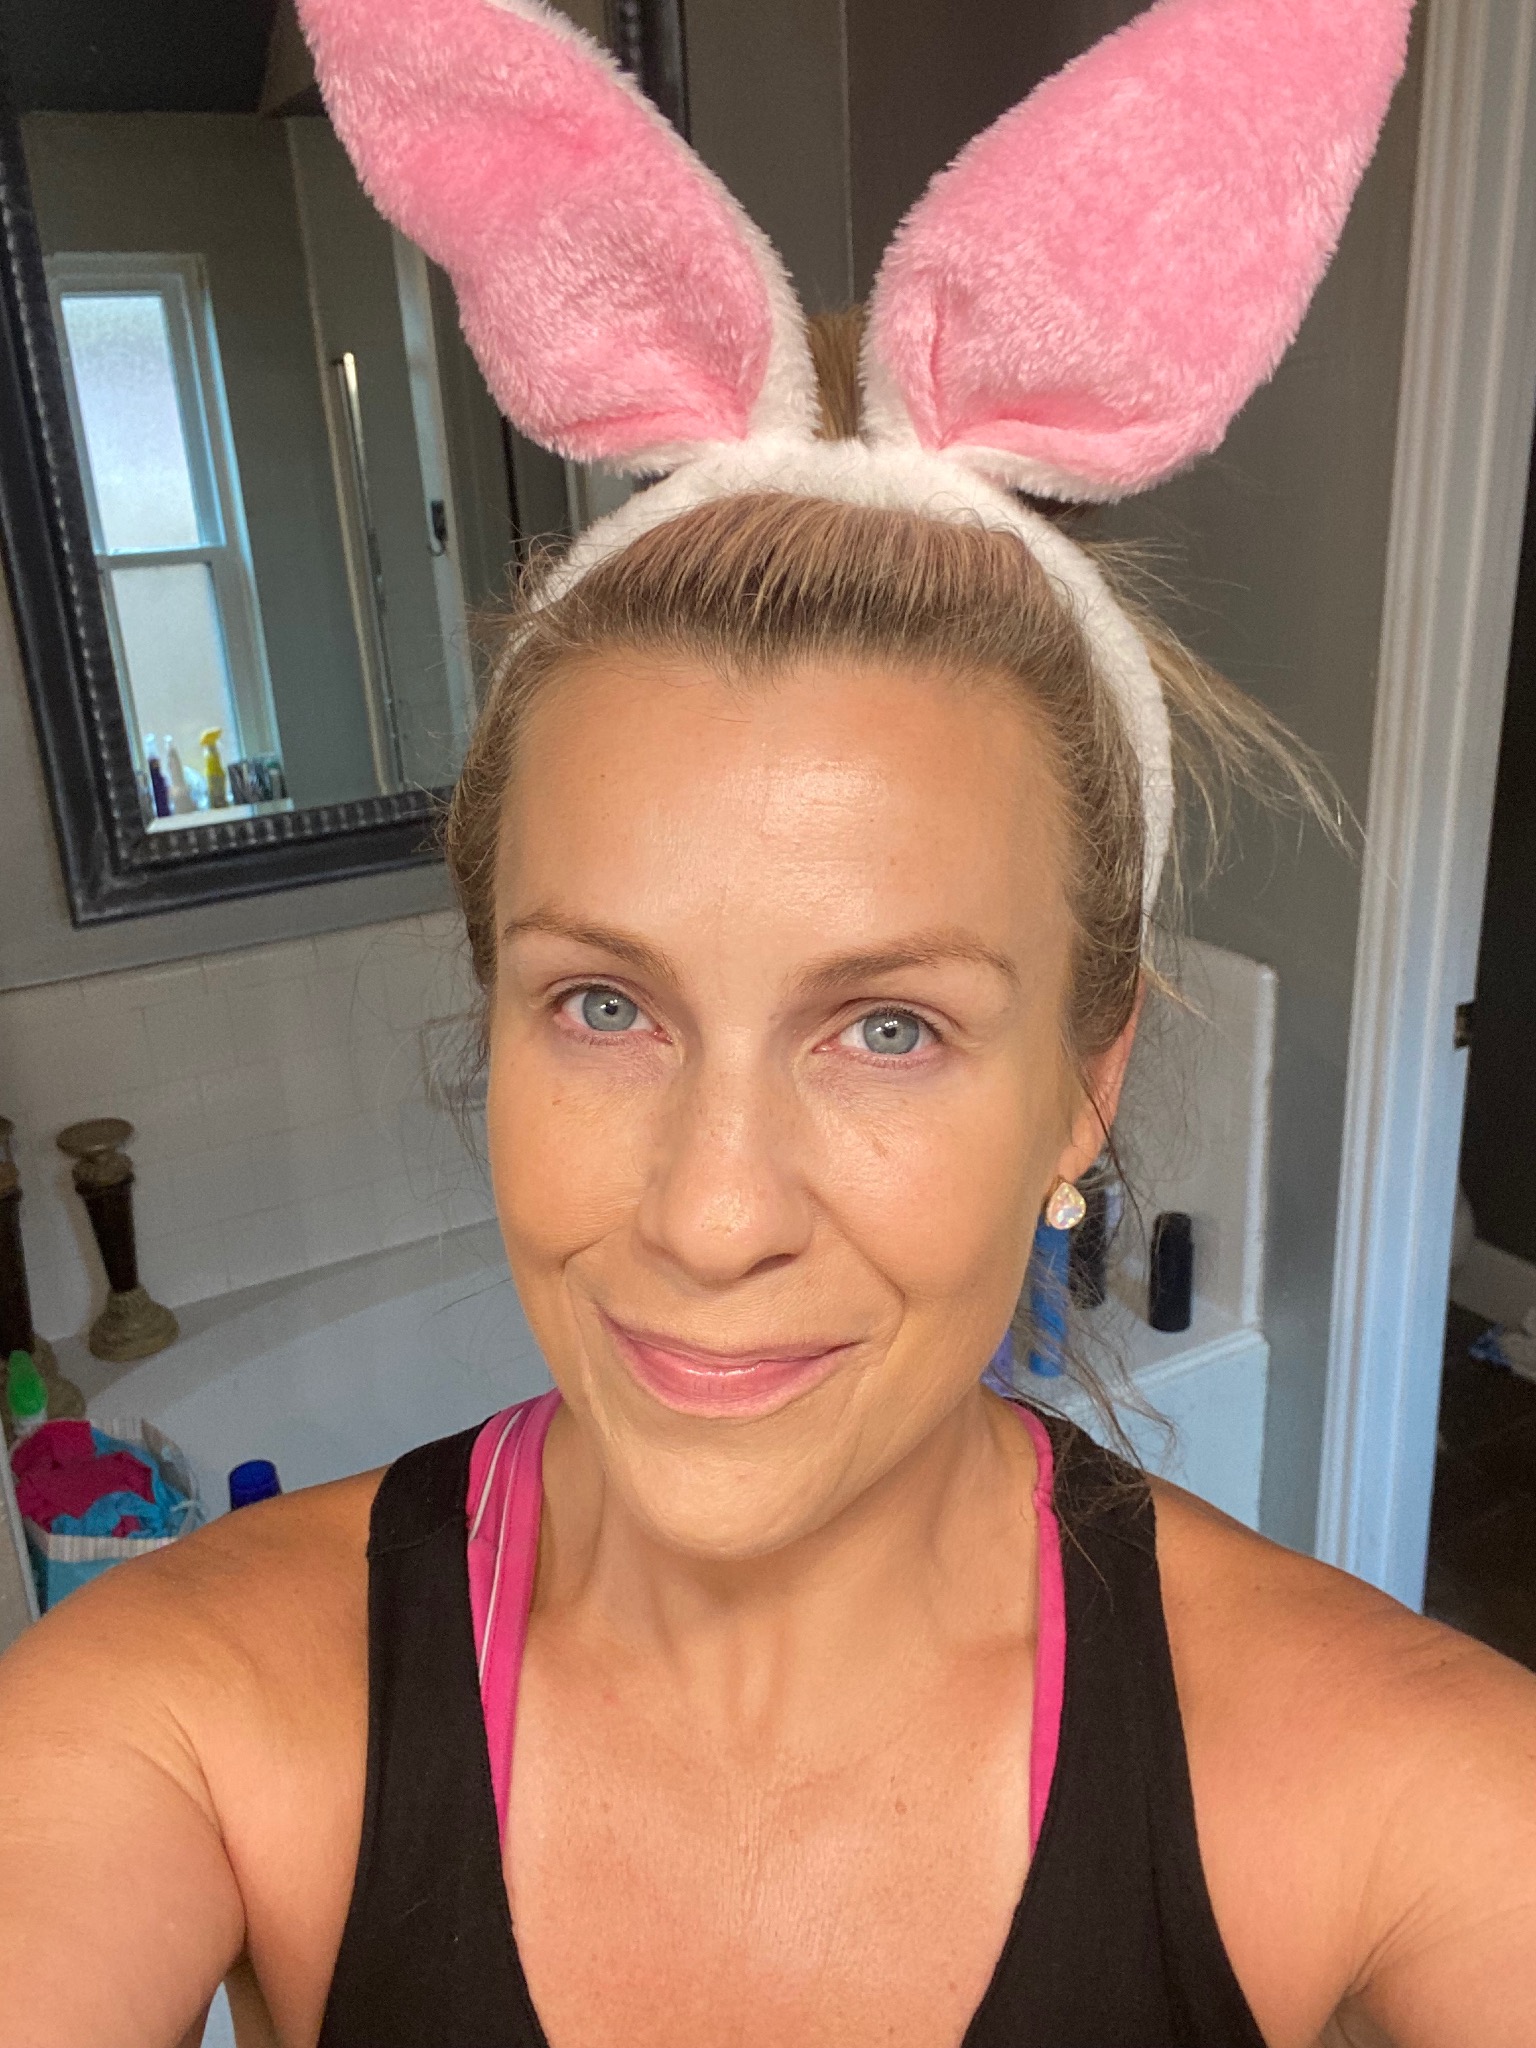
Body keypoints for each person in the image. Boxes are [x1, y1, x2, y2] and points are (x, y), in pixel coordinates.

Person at [4, 0, 1535, 2042]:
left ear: (1084, 1087)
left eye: (887, 1025)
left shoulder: (1422, 1796)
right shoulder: (170, 1721)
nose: (713, 1217)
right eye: (606, 1002)